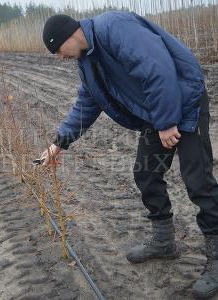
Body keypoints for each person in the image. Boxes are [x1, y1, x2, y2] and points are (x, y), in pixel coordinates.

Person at [41, 11, 218, 299]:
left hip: (185, 102)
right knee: (146, 172)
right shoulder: (87, 62)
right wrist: (59, 143)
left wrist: (166, 122)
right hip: (157, 111)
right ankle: (163, 243)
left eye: (58, 51)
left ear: (68, 36)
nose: (60, 58)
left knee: (197, 179)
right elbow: (87, 103)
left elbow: (157, 68)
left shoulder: (114, 28)